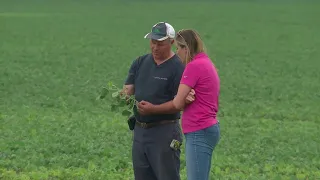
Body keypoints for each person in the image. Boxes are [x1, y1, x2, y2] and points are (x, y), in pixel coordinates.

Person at [137, 29, 220, 180]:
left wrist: (153, 108)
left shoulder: (193, 67)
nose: (177, 53)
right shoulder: (206, 62)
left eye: (178, 49)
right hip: (209, 127)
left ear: (186, 48)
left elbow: (177, 103)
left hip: (198, 130)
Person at [122, 22, 195, 180]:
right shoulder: (140, 62)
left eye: (160, 44)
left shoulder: (178, 68)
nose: (155, 47)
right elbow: (129, 87)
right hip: (140, 131)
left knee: (166, 176)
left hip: (165, 133)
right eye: (153, 42)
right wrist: (125, 94)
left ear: (172, 42)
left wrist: (153, 109)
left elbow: (180, 103)